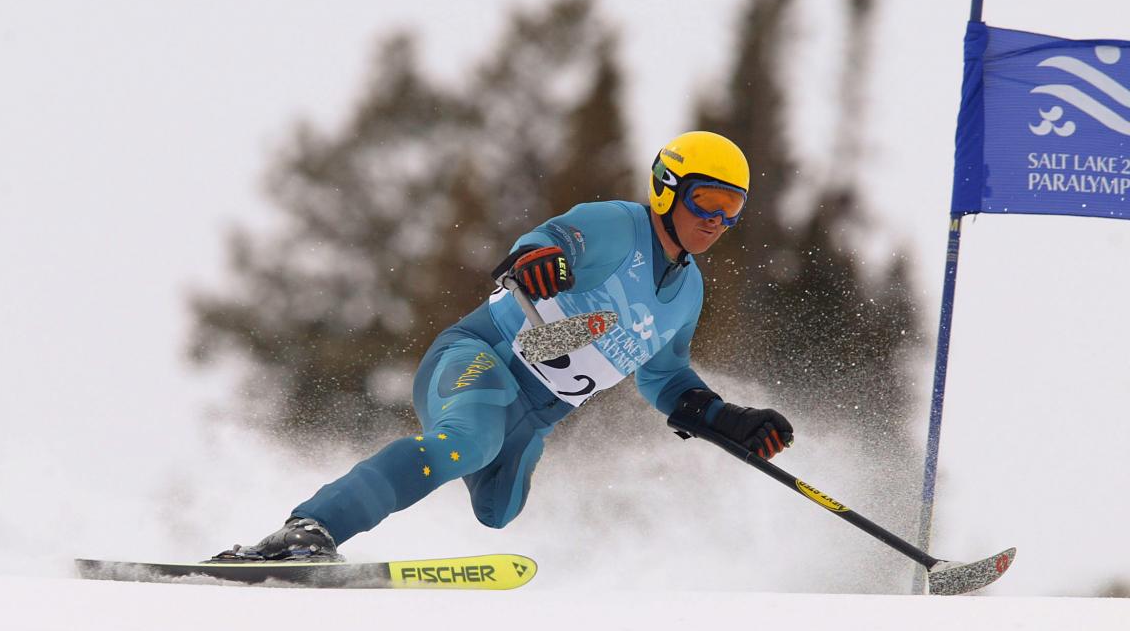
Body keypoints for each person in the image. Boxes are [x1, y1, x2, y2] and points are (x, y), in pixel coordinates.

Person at [212, 130, 795, 562]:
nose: (717, 220)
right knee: (466, 441)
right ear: (667, 190)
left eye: (733, 210)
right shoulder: (620, 226)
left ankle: (495, 445)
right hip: (480, 358)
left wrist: (727, 419)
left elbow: (665, 379)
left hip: (532, 418)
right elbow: (548, 239)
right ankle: (308, 528)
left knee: (498, 511)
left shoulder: (687, 292)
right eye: (706, 201)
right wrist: (543, 260)